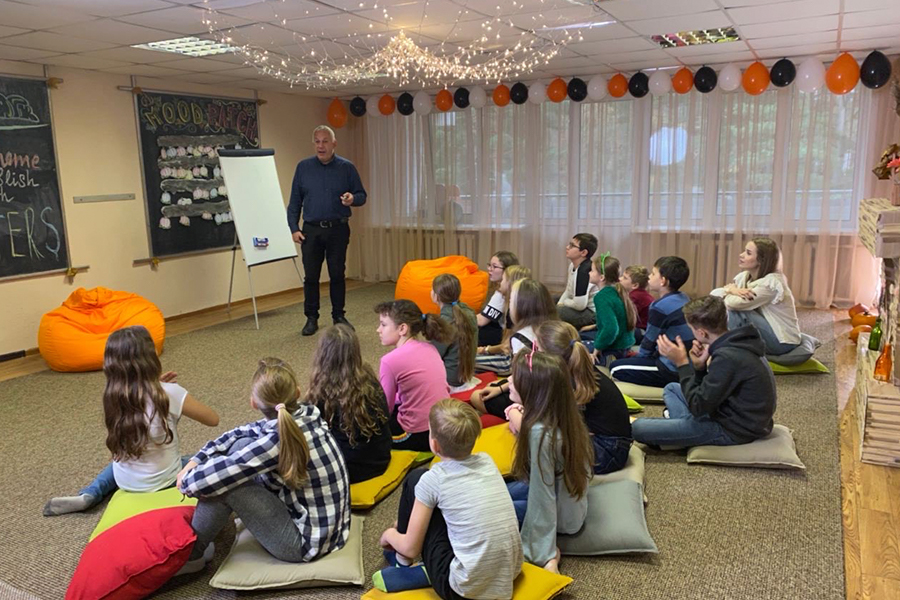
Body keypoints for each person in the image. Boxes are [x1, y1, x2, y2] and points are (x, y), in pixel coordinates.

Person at [177, 358, 351, 574]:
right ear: (297, 393)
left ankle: (191, 555)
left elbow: (199, 483)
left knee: (226, 485)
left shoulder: (275, 442)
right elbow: (239, 433)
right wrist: (196, 460)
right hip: (328, 528)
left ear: (253, 403)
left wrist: (185, 477)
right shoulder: (307, 413)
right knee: (240, 445)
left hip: (304, 545)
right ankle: (204, 533)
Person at [43, 326, 219, 516]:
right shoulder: (169, 393)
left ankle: (90, 494)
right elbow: (213, 419)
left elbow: (141, 401)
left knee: (116, 464)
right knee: (207, 457)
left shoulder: (113, 395)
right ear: (150, 357)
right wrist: (172, 396)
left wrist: (157, 388)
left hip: (126, 481)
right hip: (165, 480)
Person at [374, 400, 523, 598]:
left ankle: (402, 563)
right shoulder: (487, 461)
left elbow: (412, 548)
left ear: (434, 444)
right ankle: (418, 553)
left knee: (414, 480)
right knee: (437, 498)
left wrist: (389, 536)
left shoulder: (433, 480)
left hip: (461, 591)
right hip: (507, 576)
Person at [630, 296, 777, 449]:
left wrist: (682, 363)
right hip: (726, 412)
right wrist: (699, 368)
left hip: (734, 429)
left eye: (691, 329)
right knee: (672, 388)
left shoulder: (727, 357)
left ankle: (683, 435)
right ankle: (683, 432)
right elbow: (706, 395)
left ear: (702, 333)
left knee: (638, 428)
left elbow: (698, 406)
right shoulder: (738, 342)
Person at [505, 351, 593, 574]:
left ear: (533, 389)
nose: (508, 380)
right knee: (496, 492)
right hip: (566, 499)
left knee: (487, 510)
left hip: (560, 515)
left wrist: (540, 552)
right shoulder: (558, 413)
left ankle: (551, 556)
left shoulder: (540, 434)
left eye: (514, 377)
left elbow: (542, 497)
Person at [288, 125, 367, 336]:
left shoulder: (346, 168)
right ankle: (311, 318)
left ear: (334, 143)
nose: (320, 146)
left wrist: (352, 198)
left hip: (337, 229)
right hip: (311, 231)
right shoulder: (303, 168)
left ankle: (338, 315)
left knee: (337, 274)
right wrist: (294, 228)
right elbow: (294, 202)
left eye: (325, 141)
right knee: (311, 276)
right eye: (317, 141)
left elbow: (361, 195)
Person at [534, 321, 632, 475]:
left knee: (543, 446)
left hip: (608, 450)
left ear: (549, 357)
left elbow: (552, 421)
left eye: (537, 349)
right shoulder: (576, 371)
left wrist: (515, 413)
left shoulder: (570, 382)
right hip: (611, 443)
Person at [305, 325, 391, 484]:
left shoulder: (322, 389)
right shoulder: (368, 378)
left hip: (347, 469)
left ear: (322, 354)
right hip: (380, 459)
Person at [376, 299, 452, 451]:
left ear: (402, 329)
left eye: (383, 325)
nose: (378, 330)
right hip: (445, 424)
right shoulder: (430, 348)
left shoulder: (389, 361)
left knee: (369, 433)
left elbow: (384, 409)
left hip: (419, 435)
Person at [609, 256, 694, 388]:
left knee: (615, 368)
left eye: (653, 274)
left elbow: (649, 342)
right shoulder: (684, 297)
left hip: (671, 368)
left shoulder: (660, 306)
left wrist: (638, 358)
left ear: (663, 281)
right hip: (686, 365)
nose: (649, 277)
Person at [710, 237, 802, 356]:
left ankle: (730, 349)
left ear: (761, 260)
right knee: (728, 308)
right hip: (769, 331)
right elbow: (714, 295)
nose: (741, 255)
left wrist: (730, 290)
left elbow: (732, 304)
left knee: (735, 311)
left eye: (748, 253)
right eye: (744, 251)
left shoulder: (771, 284)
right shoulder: (745, 277)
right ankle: (728, 346)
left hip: (782, 343)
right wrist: (732, 290)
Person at [474, 265, 532, 375]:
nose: (500, 283)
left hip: (512, 362)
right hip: (512, 357)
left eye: (503, 280)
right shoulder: (517, 306)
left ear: (510, 283)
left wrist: (484, 350)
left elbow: (506, 347)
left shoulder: (514, 311)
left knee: (465, 360)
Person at [582, 253, 636, 364]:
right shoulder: (616, 290)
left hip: (614, 349)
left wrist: (596, 349)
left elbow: (611, 329)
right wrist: (594, 326)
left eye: (592, 270)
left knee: (572, 346)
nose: (589, 273)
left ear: (602, 277)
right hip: (624, 345)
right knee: (581, 335)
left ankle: (606, 360)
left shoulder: (601, 297)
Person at [430, 274, 479, 392]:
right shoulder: (469, 312)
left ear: (436, 296)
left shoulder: (443, 323)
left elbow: (433, 355)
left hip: (450, 381)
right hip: (466, 375)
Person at [477, 251, 520, 346]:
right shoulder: (496, 289)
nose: (489, 269)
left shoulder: (502, 294)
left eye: (494, 266)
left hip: (503, 336)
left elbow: (482, 321)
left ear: (507, 271)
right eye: (489, 265)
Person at [557, 233, 599, 330]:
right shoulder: (573, 265)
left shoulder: (585, 271)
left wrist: (563, 304)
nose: (567, 247)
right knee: (548, 301)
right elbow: (568, 291)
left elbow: (580, 305)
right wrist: (560, 304)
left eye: (572, 246)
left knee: (556, 312)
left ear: (583, 252)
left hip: (591, 313)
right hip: (578, 304)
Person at [622, 265, 653, 343]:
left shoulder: (635, 296)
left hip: (641, 332)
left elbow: (626, 318)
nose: (620, 279)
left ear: (635, 285)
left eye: (625, 278)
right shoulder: (642, 294)